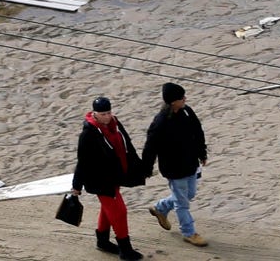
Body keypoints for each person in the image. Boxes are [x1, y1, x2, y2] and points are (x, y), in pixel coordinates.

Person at [70, 96, 145, 259]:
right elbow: (82, 162)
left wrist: (137, 166)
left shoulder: (115, 124)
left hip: (116, 176)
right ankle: (125, 249)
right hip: (100, 180)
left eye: (108, 113)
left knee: (108, 209)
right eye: (102, 114)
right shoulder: (88, 134)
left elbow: (128, 145)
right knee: (120, 212)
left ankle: (102, 241)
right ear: (94, 114)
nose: (107, 117)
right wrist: (76, 187)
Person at [141, 81, 210, 247]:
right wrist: (146, 168)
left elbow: (198, 131)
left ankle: (160, 208)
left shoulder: (187, 112)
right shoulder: (160, 122)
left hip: (190, 164)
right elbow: (150, 147)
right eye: (181, 97)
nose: (185, 99)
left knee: (189, 195)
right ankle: (189, 233)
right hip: (174, 169)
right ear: (173, 101)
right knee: (182, 203)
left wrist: (202, 153)